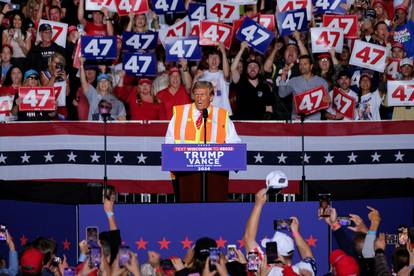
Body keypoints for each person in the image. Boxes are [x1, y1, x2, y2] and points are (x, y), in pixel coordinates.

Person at [243, 188, 317, 275]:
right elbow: (308, 256)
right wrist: (296, 232)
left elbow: (248, 239)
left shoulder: (261, 269)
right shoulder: (303, 272)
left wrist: (258, 205)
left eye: (270, 248)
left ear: (277, 256)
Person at [165, 81, 240, 144]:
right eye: (196, 94)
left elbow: (234, 143)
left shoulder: (221, 116)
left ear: (211, 97)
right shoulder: (180, 113)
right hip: (182, 160)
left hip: (212, 160)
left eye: (202, 95)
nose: (199, 98)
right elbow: (169, 140)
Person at [231, 42, 274, 120]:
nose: (252, 68)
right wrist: (241, 50)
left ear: (259, 70)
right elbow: (233, 68)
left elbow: (269, 108)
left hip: (259, 124)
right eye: (250, 66)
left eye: (255, 66)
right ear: (246, 70)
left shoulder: (264, 86)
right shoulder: (240, 81)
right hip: (242, 123)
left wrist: (267, 119)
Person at [278, 55, 330, 120]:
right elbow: (282, 94)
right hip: (296, 120)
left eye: (305, 64)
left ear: (311, 66)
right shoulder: (293, 80)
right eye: (300, 64)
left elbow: (327, 104)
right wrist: (283, 76)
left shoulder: (322, 82)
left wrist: (327, 100)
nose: (302, 66)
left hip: (314, 121)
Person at [193, 44, 233, 116]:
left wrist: (223, 53)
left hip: (223, 113)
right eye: (211, 57)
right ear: (207, 60)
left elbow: (227, 75)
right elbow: (193, 96)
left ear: (220, 61)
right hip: (206, 114)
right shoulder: (201, 75)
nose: (214, 60)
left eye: (216, 57)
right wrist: (195, 78)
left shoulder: (223, 74)